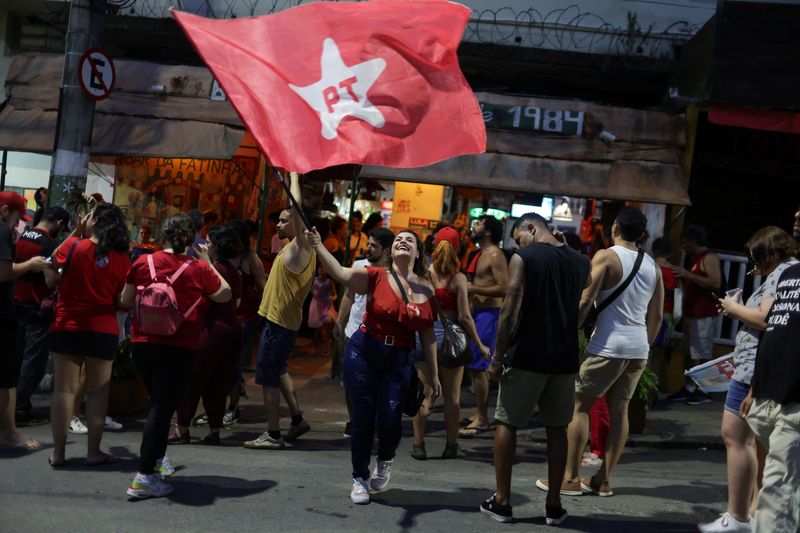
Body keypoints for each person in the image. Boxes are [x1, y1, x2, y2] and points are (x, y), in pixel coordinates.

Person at [306, 226, 441, 504]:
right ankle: (359, 478)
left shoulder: (425, 287)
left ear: (417, 253)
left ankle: (386, 458)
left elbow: (427, 334)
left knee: (391, 419)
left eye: (410, 240)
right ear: (392, 251)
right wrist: (318, 245)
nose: (403, 242)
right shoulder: (376, 275)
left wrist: (435, 375)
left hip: (399, 358)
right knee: (363, 418)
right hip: (364, 352)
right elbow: (341, 273)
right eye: (399, 239)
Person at [479, 212, 590, 525]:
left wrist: (498, 356)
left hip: (528, 354)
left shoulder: (523, 258)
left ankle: (502, 501)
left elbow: (510, 309)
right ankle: (553, 506)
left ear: (530, 228)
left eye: (519, 237)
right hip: (565, 358)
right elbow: (587, 298)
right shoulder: (582, 262)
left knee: (507, 422)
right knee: (557, 428)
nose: (519, 244)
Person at [551, 207, 663, 502]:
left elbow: (587, 298)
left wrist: (568, 331)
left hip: (609, 345)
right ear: (641, 234)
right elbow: (658, 315)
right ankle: (602, 480)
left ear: (614, 228)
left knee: (578, 406)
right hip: (638, 347)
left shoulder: (606, 256)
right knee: (620, 410)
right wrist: (645, 344)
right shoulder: (653, 266)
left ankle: (571, 478)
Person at [121, 213, 231, 498]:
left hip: (142, 341)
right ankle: (144, 477)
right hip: (180, 345)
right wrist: (208, 264)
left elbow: (124, 300)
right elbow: (225, 294)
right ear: (190, 238)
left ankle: (155, 465)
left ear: (165, 235)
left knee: (158, 403)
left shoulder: (142, 262)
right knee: (161, 406)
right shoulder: (198, 269)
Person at [699, 228, 799, 533]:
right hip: (758, 373)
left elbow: (766, 319)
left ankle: (741, 515)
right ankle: (749, 513)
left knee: (740, 438)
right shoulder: (787, 273)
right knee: (758, 447)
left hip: (761, 375)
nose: (753, 266)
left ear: (768, 253)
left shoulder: (785, 273)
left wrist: (734, 308)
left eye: (755, 260)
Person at [45, 204, 132, 467]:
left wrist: (75, 231)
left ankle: (58, 454)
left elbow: (50, 279)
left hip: (68, 325)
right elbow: (123, 302)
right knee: (97, 394)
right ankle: (93, 452)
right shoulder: (122, 257)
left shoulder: (73, 247)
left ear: (93, 221)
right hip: (102, 330)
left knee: (64, 392)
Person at [244, 172, 316, 450]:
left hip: (280, 324)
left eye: (285, 220)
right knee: (279, 369)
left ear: (298, 223)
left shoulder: (302, 246)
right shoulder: (295, 247)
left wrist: (295, 174)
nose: (278, 224)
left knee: (268, 378)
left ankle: (273, 434)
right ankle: (297, 419)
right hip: (282, 322)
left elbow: (296, 206)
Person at [411, 227, 489, 459]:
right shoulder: (459, 279)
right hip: (450, 340)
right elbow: (464, 316)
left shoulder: (423, 275)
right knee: (452, 398)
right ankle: (451, 445)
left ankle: (418, 445)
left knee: (425, 395)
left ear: (434, 247)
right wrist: (480, 344)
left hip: (423, 336)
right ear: (457, 249)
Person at [743, 220, 800, 532]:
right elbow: (778, 331)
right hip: (770, 396)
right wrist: (756, 387)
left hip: (794, 401)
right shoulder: (791, 275)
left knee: (776, 488)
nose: (796, 217)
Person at [172, 224, 243, 445]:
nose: (204, 245)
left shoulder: (214, 269)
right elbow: (237, 302)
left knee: (191, 380)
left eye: (209, 242)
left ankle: (181, 428)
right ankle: (214, 429)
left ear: (217, 247)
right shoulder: (233, 270)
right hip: (230, 331)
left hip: (211, 331)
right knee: (217, 383)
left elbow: (205, 298)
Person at [333, 227, 395, 437]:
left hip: (379, 336)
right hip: (353, 331)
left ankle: (371, 422)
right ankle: (354, 420)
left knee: (375, 382)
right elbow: (348, 295)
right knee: (350, 381)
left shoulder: (393, 273)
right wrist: (339, 322)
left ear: (386, 250)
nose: (368, 249)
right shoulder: (359, 265)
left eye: (374, 246)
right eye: (368, 244)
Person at [0, 191, 48, 450]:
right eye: (18, 216)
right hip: (3, 314)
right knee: (7, 378)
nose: (18, 222)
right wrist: (29, 264)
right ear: (6, 210)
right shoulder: (2, 231)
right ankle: (8, 433)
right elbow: (4, 272)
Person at [13, 206, 69, 425]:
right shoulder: (49, 244)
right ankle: (18, 408)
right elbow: (51, 281)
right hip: (36, 309)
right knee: (33, 363)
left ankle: (17, 406)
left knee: (17, 358)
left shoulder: (23, 235)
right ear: (59, 224)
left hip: (15, 304)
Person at [461, 215, 508, 437]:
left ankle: (482, 417)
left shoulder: (495, 255)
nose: (474, 226)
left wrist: (474, 289)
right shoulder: (480, 254)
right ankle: (480, 412)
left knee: (480, 367)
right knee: (474, 366)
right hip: (480, 314)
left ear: (488, 232)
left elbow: (503, 288)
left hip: (489, 314)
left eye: (478, 223)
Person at [669, 224, 722, 406]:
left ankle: (705, 390)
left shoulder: (709, 257)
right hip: (692, 313)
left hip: (704, 313)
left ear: (693, 241)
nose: (682, 246)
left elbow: (716, 283)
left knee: (702, 353)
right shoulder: (695, 259)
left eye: (684, 242)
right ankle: (690, 387)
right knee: (689, 353)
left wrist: (688, 275)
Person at [222, 219, 267, 426]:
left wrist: (266, 316)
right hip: (224, 315)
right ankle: (220, 406)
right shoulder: (222, 255)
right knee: (222, 361)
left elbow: (263, 287)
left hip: (246, 317)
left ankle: (232, 407)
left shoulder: (251, 258)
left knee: (233, 361)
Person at [308, 264, 337, 358]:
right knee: (316, 328)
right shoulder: (314, 279)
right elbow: (312, 290)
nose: (322, 270)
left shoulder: (329, 281)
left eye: (324, 268)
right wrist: (315, 295)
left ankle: (327, 345)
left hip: (326, 306)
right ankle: (314, 346)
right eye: (320, 268)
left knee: (327, 322)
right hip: (316, 305)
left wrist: (330, 298)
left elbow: (335, 295)